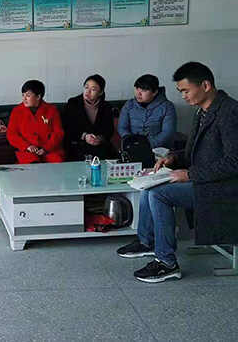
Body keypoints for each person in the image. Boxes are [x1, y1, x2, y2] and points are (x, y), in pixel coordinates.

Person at [117, 62, 238, 283]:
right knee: (149, 187)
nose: (183, 96)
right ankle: (147, 243)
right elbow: (194, 152)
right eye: (180, 91)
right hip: (205, 180)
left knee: (159, 194)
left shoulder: (230, 112)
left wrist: (190, 175)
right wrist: (173, 158)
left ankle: (167, 263)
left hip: (222, 187)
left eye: (186, 90)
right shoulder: (202, 111)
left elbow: (234, 162)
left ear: (205, 85)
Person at [7, 80, 65, 164]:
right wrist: (27, 146)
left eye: (28, 95)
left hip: (50, 150)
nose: (24, 99)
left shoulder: (52, 110)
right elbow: (11, 134)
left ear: (38, 97)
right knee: (32, 164)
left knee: (57, 162)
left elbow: (58, 133)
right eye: (23, 95)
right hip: (28, 151)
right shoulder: (17, 111)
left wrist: (46, 148)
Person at [63, 74, 115, 161]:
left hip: (98, 145)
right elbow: (67, 127)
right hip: (78, 143)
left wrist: (101, 138)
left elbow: (109, 130)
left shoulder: (106, 106)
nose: (88, 91)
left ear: (101, 92)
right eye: (86, 87)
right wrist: (84, 136)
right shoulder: (73, 103)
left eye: (93, 89)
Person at [118, 74, 177, 149]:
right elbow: (122, 127)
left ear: (154, 92)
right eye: (137, 88)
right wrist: (130, 140)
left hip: (158, 148)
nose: (138, 93)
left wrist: (147, 144)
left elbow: (167, 133)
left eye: (144, 90)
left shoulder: (167, 106)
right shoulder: (129, 105)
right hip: (132, 146)